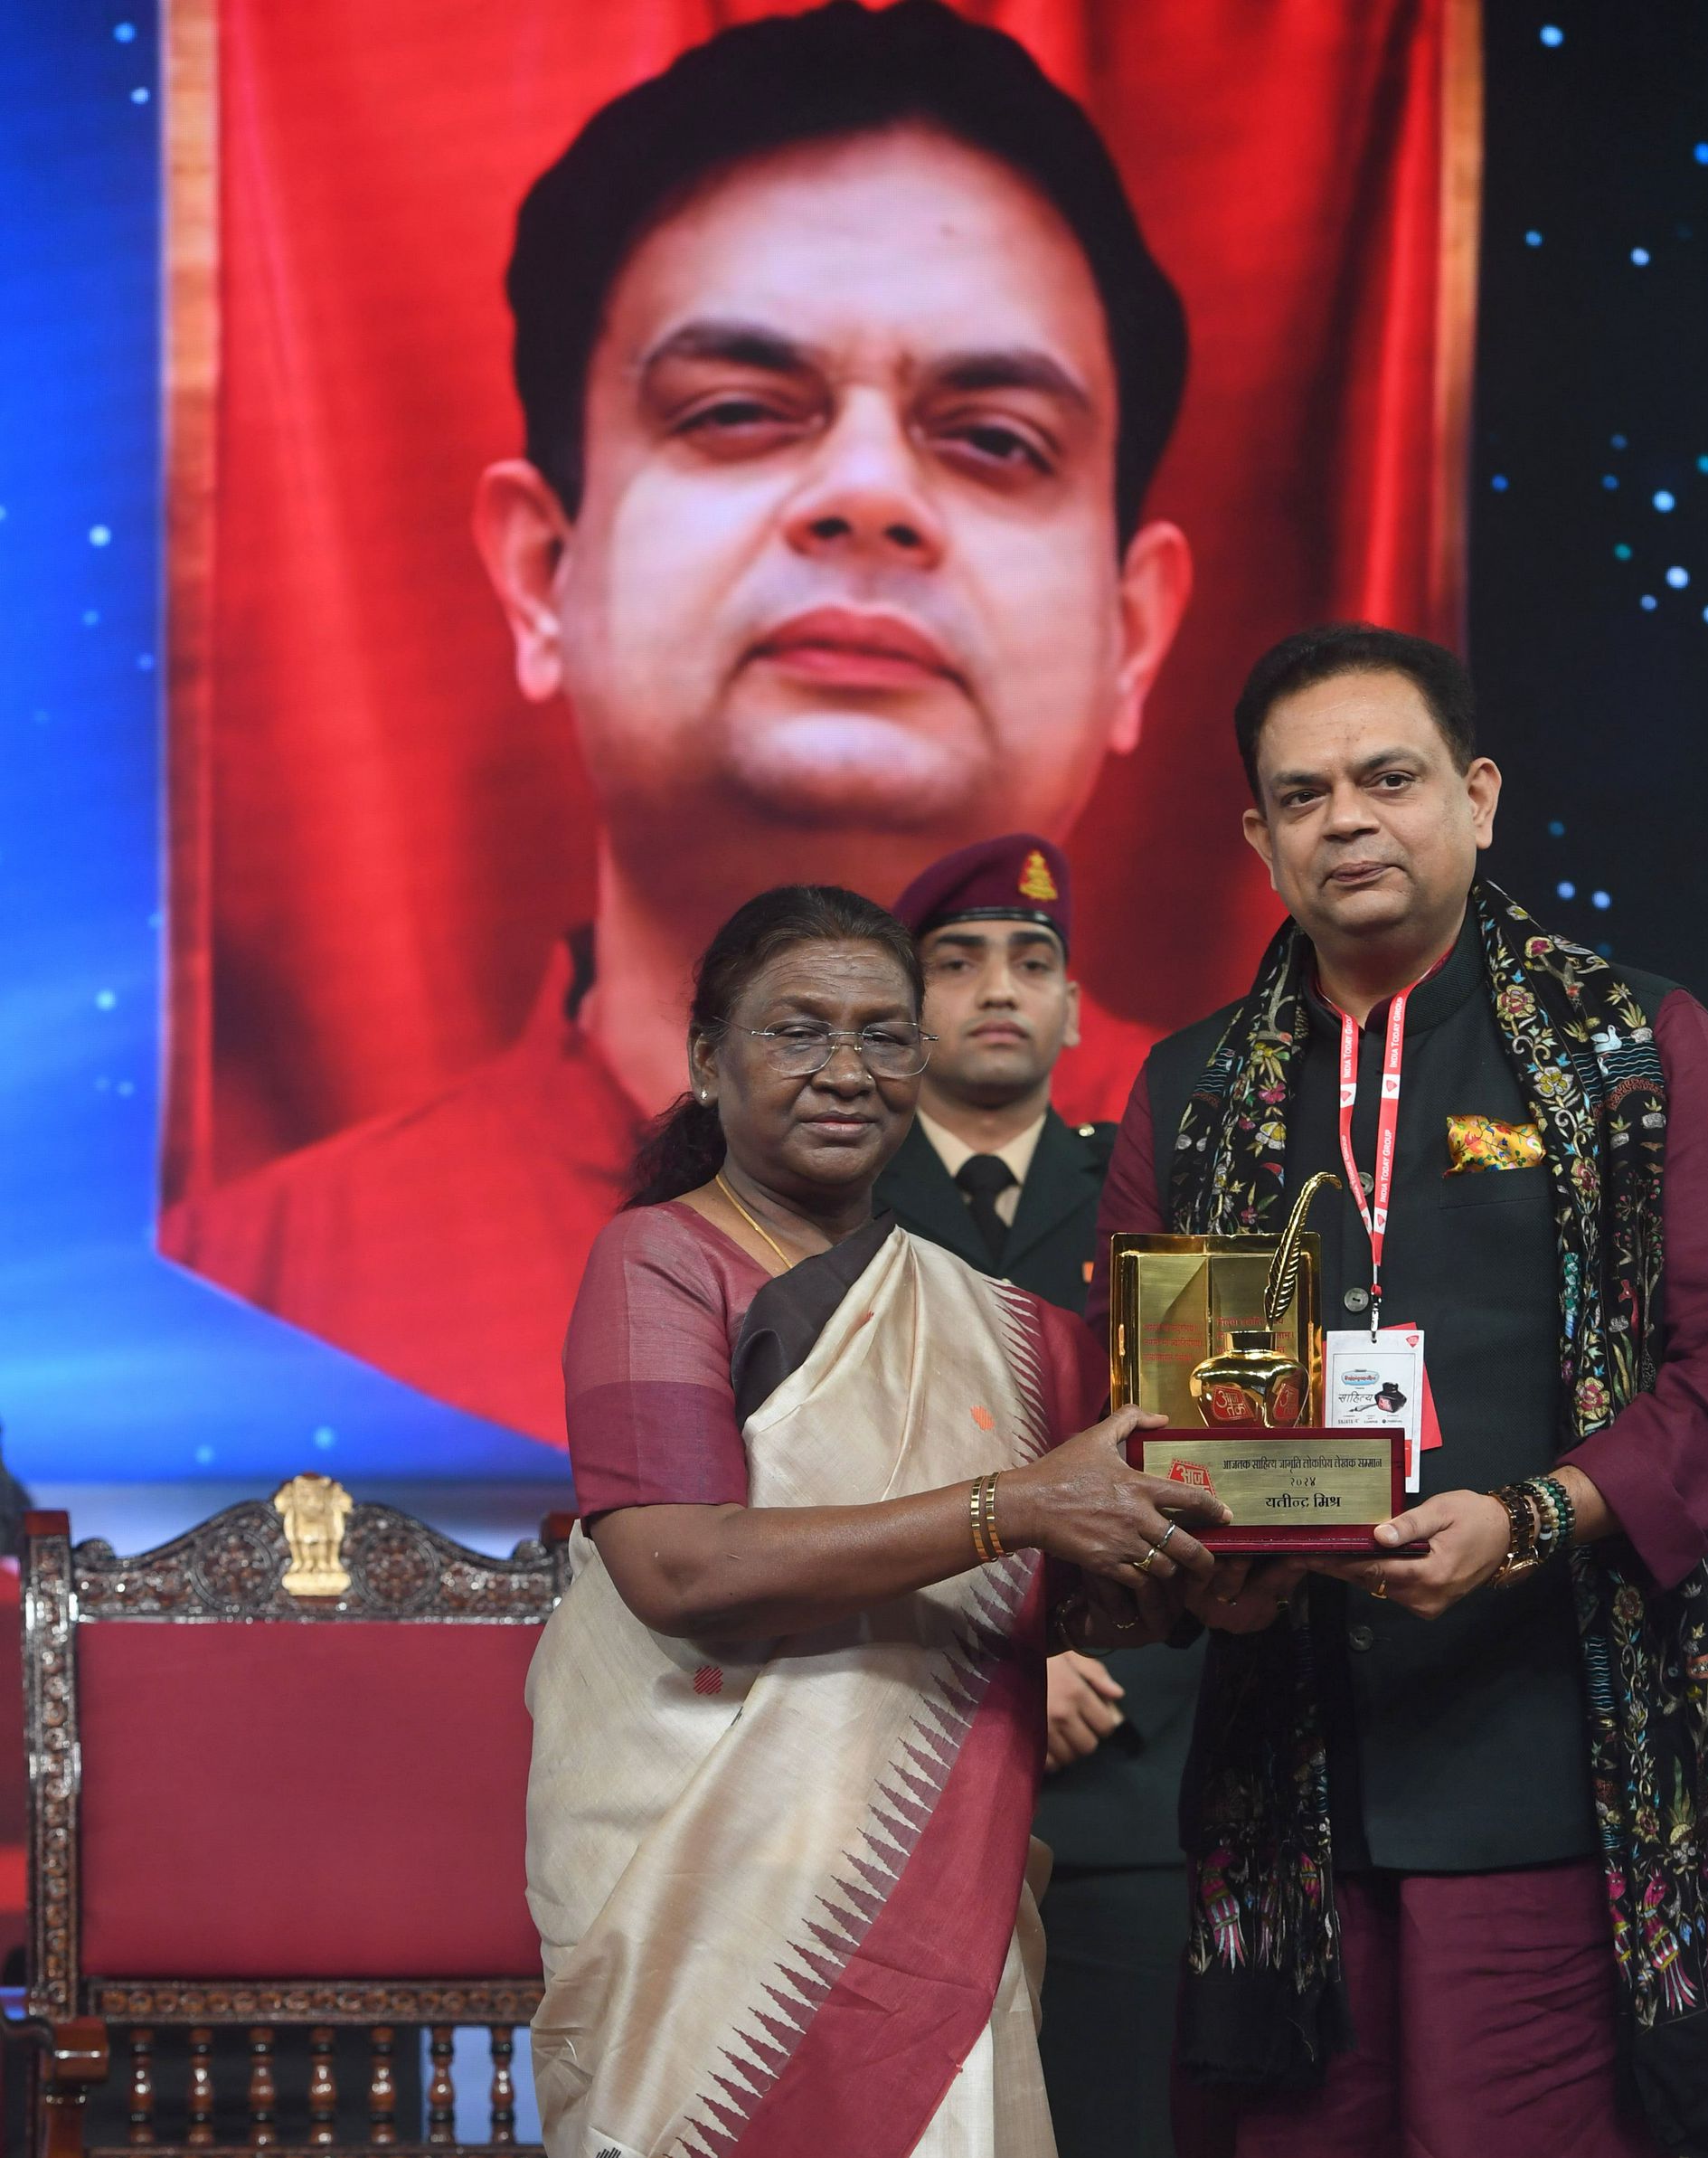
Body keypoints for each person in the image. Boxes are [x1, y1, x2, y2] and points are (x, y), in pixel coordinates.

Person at [1090, 623, 1708, 2158]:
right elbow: (1158, 1435)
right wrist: (1212, 1572)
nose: (1350, 823)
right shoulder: (1198, 1091)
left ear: (1478, 798)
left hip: (1575, 1789)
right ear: (1256, 836)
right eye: (1303, 795)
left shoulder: (1630, 1044)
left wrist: (1536, 1520)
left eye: (1388, 777)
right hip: (1303, 1802)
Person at [162, 0, 1193, 1451]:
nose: (867, 494)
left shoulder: (1257, 1196)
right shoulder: (230, 1299)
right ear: (542, 576)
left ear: (1134, 635)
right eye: (736, 411)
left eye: (992, 439)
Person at [524, 882, 1223, 2158]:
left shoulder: (991, 1319)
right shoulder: (659, 1260)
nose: (844, 1068)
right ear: (709, 1061)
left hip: (927, 1927)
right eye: (797, 1030)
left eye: (878, 1034)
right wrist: (1018, 1503)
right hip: (706, 1920)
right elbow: (678, 1566)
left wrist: (1252, 1537)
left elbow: (1110, 1546)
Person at [876, 829, 1202, 2158]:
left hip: (1118, 1799)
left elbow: (1212, 1473)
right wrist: (1008, 1650)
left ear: (1075, 1005)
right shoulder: (833, 1205)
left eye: (1028, 959)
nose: (995, 989)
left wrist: (1106, 1660)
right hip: (894, 1781)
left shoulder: (1141, 1201)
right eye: (955, 960)